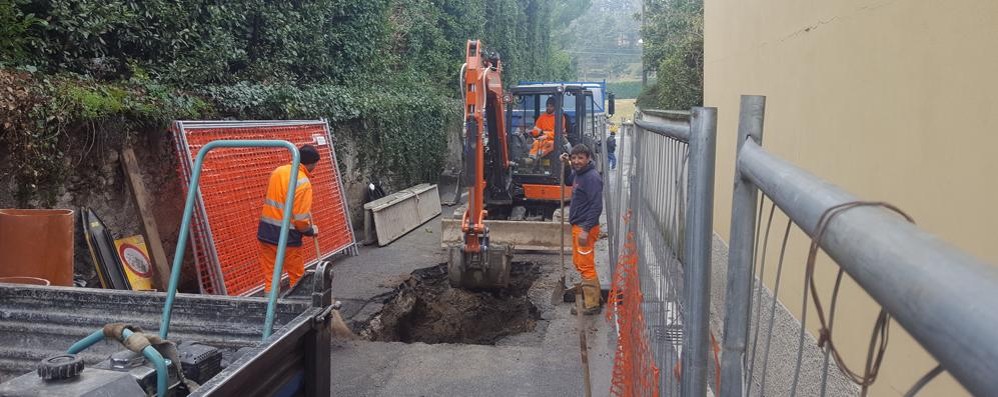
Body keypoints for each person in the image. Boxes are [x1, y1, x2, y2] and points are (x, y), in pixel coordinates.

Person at [257, 144, 321, 293]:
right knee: (296, 277)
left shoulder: (278, 172)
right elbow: (300, 221)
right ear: (311, 163)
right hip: (288, 238)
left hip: (266, 233)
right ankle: (297, 309)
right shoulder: (303, 183)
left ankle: (270, 309)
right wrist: (309, 230)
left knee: (271, 277)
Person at [560, 144, 604, 315]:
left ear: (588, 159)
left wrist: (585, 229)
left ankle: (591, 305)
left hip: (585, 227)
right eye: (574, 158)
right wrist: (565, 166)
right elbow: (568, 181)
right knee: (579, 263)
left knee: (585, 265)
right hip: (579, 226)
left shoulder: (591, 178)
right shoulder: (580, 174)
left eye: (580, 158)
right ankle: (594, 296)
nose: (576, 161)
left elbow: (596, 206)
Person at [526, 97, 560, 164]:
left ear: (555, 107)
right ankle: (531, 158)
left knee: (550, 144)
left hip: (555, 139)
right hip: (542, 138)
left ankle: (536, 159)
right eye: (547, 106)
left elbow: (558, 132)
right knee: (536, 142)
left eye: (551, 106)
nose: (548, 108)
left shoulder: (559, 117)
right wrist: (532, 132)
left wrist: (546, 135)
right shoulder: (542, 117)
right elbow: (537, 129)